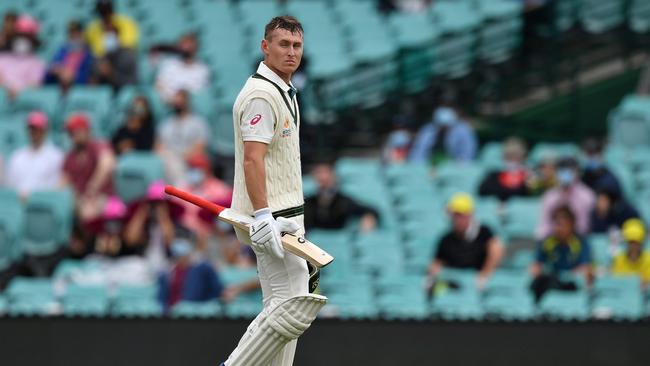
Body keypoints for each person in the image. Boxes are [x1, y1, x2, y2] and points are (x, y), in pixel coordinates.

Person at [222, 16, 327, 366]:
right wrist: (264, 215)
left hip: (286, 216)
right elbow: (253, 160)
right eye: (283, 44)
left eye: (296, 46)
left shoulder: (284, 90)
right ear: (265, 47)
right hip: (271, 218)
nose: (291, 52)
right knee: (293, 306)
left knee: (283, 308)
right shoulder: (262, 95)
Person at [426, 193, 505, 290]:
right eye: (454, 215)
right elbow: (437, 263)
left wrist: (485, 275)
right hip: (457, 283)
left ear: (469, 215)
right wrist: (431, 277)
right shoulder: (446, 239)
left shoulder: (484, 232)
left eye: (460, 215)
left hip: (479, 281)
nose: (457, 219)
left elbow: (496, 251)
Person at [530, 205, 592, 303]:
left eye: (563, 225)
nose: (559, 228)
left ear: (572, 225)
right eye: (557, 224)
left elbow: (585, 268)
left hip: (572, 283)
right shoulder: (547, 242)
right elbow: (536, 265)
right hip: (552, 281)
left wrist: (569, 275)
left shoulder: (581, 243)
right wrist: (538, 272)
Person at [61, 113, 116, 223]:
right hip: (81, 199)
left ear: (86, 130)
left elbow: (107, 164)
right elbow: (63, 181)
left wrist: (92, 187)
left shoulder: (98, 146)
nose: (74, 136)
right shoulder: (70, 156)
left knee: (89, 210)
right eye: (71, 132)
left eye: (77, 131)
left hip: (103, 197)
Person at [176, 152, 232, 246]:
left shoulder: (221, 189)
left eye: (199, 168)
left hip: (214, 236)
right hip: (186, 235)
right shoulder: (181, 187)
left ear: (207, 170)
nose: (195, 171)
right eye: (192, 168)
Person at [304, 162, 378, 231]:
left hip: (340, 237)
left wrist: (368, 219)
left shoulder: (344, 201)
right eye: (318, 173)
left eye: (325, 173)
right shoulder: (308, 202)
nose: (322, 177)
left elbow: (370, 211)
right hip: (313, 239)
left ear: (334, 176)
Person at [5, 112, 64, 199]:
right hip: (18, 205)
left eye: (38, 128)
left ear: (45, 130)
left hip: (44, 205)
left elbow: (57, 188)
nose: (34, 132)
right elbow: (11, 186)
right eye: (32, 128)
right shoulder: (17, 156)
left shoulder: (56, 156)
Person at [156, 89, 210, 183]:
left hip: (189, 161)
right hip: (169, 160)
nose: (178, 103)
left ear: (187, 102)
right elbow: (159, 145)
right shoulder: (166, 123)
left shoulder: (198, 122)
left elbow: (201, 146)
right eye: (176, 100)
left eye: (180, 100)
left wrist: (184, 157)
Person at [535, 157, 595, 239]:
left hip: (579, 241)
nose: (565, 174)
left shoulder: (587, 196)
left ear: (577, 172)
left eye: (570, 170)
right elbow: (544, 226)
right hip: (554, 239)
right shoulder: (550, 196)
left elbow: (585, 227)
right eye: (562, 170)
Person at [157, 238, 224, 311]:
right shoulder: (168, 272)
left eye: (186, 255)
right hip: (172, 312)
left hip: (192, 310)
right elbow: (163, 297)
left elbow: (216, 288)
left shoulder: (201, 270)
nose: (184, 258)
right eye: (180, 256)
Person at [408, 105, 477, 164]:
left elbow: (468, 153)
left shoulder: (463, 131)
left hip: (455, 165)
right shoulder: (428, 130)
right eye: (441, 126)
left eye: (446, 126)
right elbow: (419, 150)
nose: (443, 128)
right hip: (430, 164)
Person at [155, 32, 210, 102]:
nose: (185, 47)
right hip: (169, 103)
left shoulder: (202, 69)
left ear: (196, 47)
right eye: (183, 43)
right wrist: (171, 99)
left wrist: (184, 98)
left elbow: (201, 93)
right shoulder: (168, 64)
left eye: (189, 44)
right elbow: (159, 85)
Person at [0, 15, 45, 98]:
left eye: (27, 36)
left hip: (24, 105)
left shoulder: (37, 63)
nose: (22, 40)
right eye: (19, 35)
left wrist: (18, 92)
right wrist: (7, 89)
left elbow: (34, 86)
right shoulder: (2, 58)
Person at [44, 21, 94, 90]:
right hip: (58, 87)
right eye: (71, 32)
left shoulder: (88, 54)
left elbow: (88, 77)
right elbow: (48, 75)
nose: (74, 35)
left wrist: (73, 76)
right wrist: (56, 71)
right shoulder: (61, 51)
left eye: (76, 32)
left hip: (78, 89)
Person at [478, 137, 531, 201]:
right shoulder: (494, 174)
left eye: (515, 155)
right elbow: (482, 192)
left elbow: (528, 195)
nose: (512, 159)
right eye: (508, 156)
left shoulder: (529, 176)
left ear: (523, 156)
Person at [612, 218, 650, 288]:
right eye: (631, 242)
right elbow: (617, 283)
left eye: (637, 243)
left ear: (641, 243)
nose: (633, 246)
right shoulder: (619, 259)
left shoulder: (648, 259)